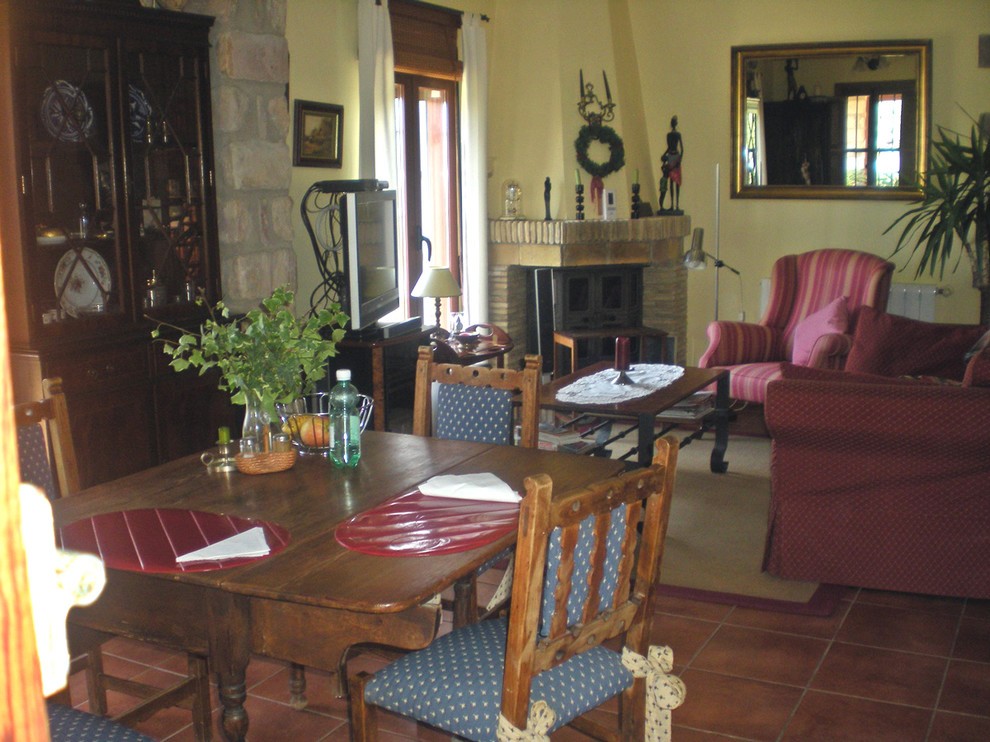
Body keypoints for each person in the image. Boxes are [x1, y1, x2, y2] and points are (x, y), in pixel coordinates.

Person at [660, 116, 683, 212]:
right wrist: (664, 155)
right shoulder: (669, 135)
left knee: (676, 182)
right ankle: (672, 205)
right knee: (671, 182)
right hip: (671, 157)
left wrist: (679, 160)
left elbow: (682, 149)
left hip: (675, 157)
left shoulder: (677, 134)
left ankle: (676, 205)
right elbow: (670, 147)